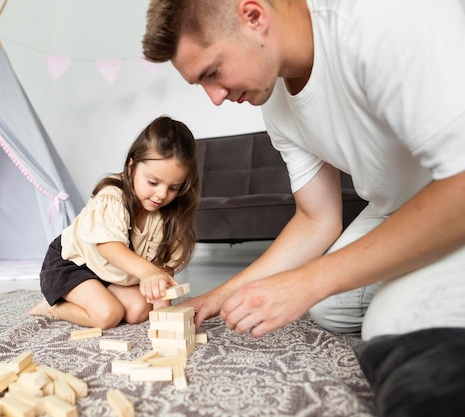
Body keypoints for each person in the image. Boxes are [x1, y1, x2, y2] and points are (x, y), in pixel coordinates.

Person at [142, 0, 465, 342]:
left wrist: (309, 281)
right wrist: (216, 297)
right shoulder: (275, 104)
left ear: (253, 16)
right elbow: (317, 219)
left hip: (452, 190)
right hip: (400, 206)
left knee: (389, 325)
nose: (215, 97)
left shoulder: (381, 19)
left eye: (212, 72)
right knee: (332, 307)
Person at [29, 115, 199, 329]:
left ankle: (99, 295)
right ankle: (53, 307)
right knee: (108, 315)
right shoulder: (112, 196)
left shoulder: (169, 215)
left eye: (173, 188)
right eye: (153, 182)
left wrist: (164, 320)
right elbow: (109, 247)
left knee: (139, 310)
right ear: (131, 168)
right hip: (72, 263)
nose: (162, 194)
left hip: (109, 274)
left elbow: (162, 270)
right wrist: (147, 272)